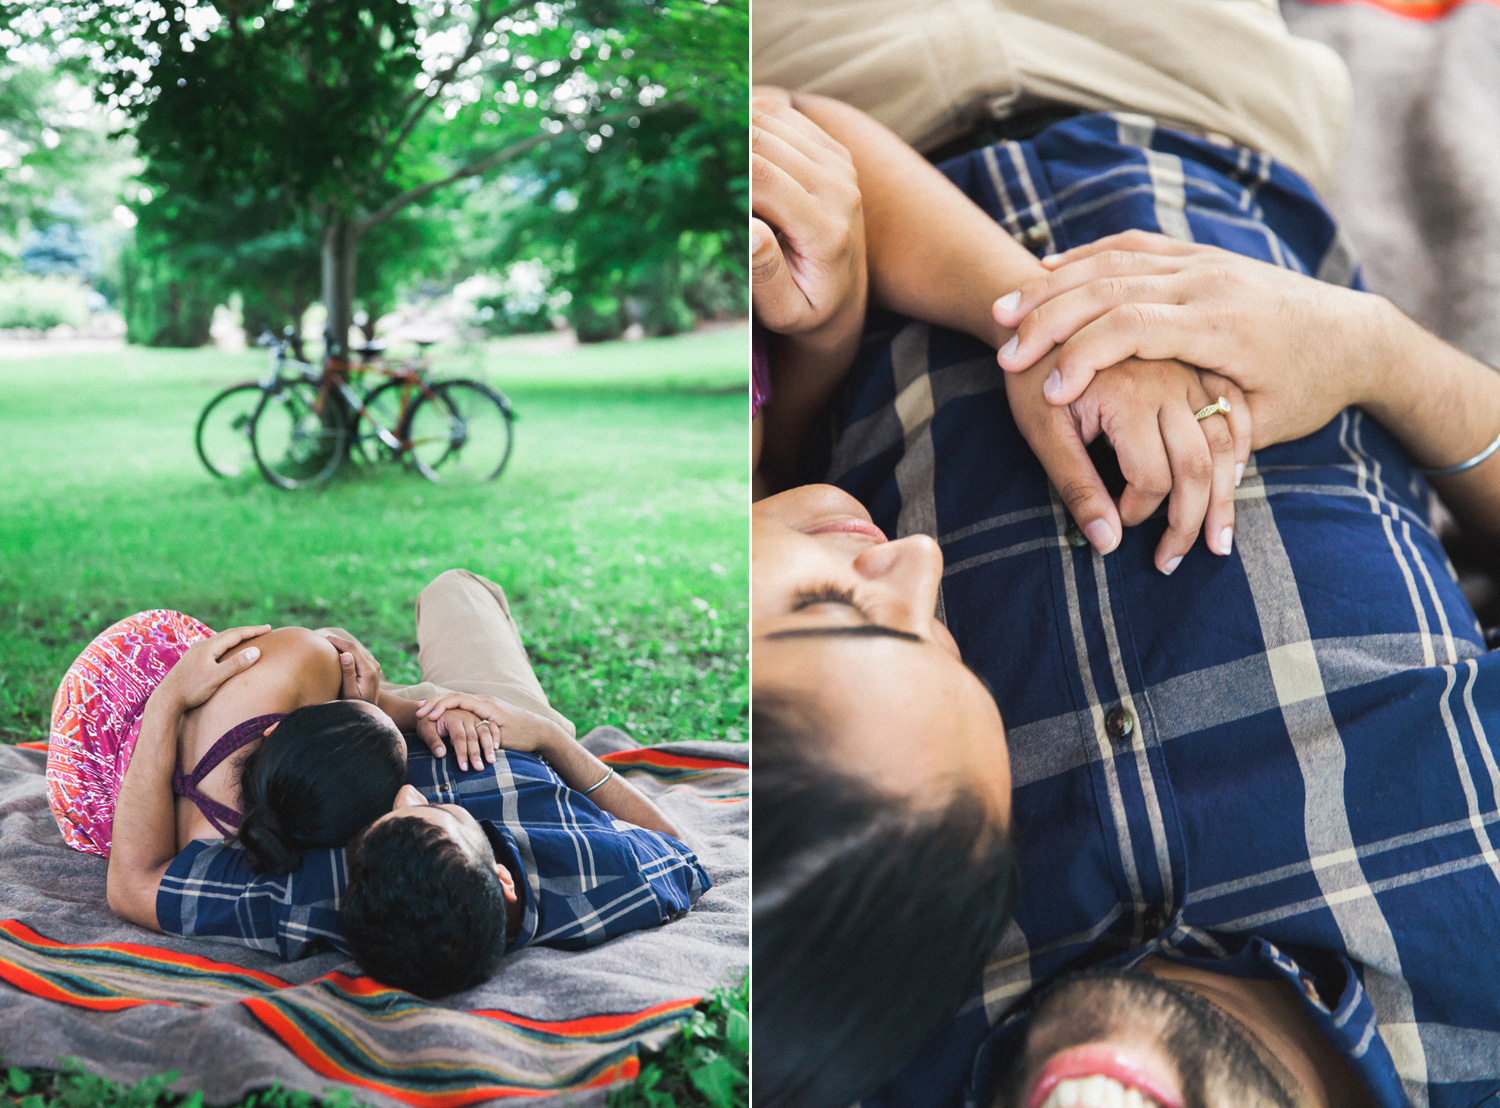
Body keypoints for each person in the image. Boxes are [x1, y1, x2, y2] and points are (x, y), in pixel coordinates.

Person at [753, 83, 1500, 1108]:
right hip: (1183, 97)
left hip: (867, 138)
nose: (918, 562)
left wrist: (878, 316)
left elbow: (773, 499)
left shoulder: (839, 1006)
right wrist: (1375, 350)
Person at [131, 570, 711, 998]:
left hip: (361, 736)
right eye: (435, 814)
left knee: (357, 646)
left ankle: (383, 697)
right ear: (504, 881)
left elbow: (133, 882)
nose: (410, 791)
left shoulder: (314, 894)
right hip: (505, 722)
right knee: (453, 588)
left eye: (386, 816)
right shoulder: (602, 876)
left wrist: (167, 701)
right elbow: (681, 850)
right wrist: (550, 741)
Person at [49, 613, 409, 888]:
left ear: (279, 725)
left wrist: (169, 695)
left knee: (325, 649)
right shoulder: (211, 854)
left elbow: (128, 881)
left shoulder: (298, 661)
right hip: (88, 772)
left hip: (110, 697)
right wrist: (424, 712)